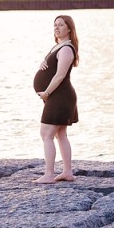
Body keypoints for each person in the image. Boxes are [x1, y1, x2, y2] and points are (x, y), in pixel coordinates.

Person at [32, 14, 79, 183]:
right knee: (60, 134)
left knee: (46, 134)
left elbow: (60, 76)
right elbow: (52, 69)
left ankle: (49, 175)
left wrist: (47, 93)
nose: (57, 28)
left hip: (60, 97)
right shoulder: (58, 47)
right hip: (58, 96)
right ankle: (67, 172)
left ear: (69, 29)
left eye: (61, 25)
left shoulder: (67, 49)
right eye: (55, 25)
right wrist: (42, 64)